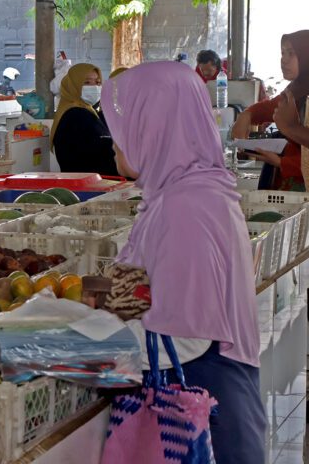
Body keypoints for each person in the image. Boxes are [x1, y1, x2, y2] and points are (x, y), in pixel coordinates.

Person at [101, 61, 265, 464]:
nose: (114, 143)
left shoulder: (188, 206)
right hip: (207, 402)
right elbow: (147, 292)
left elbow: (189, 337)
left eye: (123, 129)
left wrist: (80, 350)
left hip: (207, 419)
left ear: (154, 127)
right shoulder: (178, 192)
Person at [231, 30, 308, 191]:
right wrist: (247, 115)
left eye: (291, 54)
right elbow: (271, 108)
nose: (283, 60)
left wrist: (282, 162)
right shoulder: (296, 90)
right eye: (282, 53)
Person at [50, 63, 119, 176]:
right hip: (88, 185)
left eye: (97, 82)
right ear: (73, 86)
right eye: (87, 82)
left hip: (94, 180)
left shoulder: (87, 112)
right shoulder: (76, 115)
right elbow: (101, 151)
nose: (94, 87)